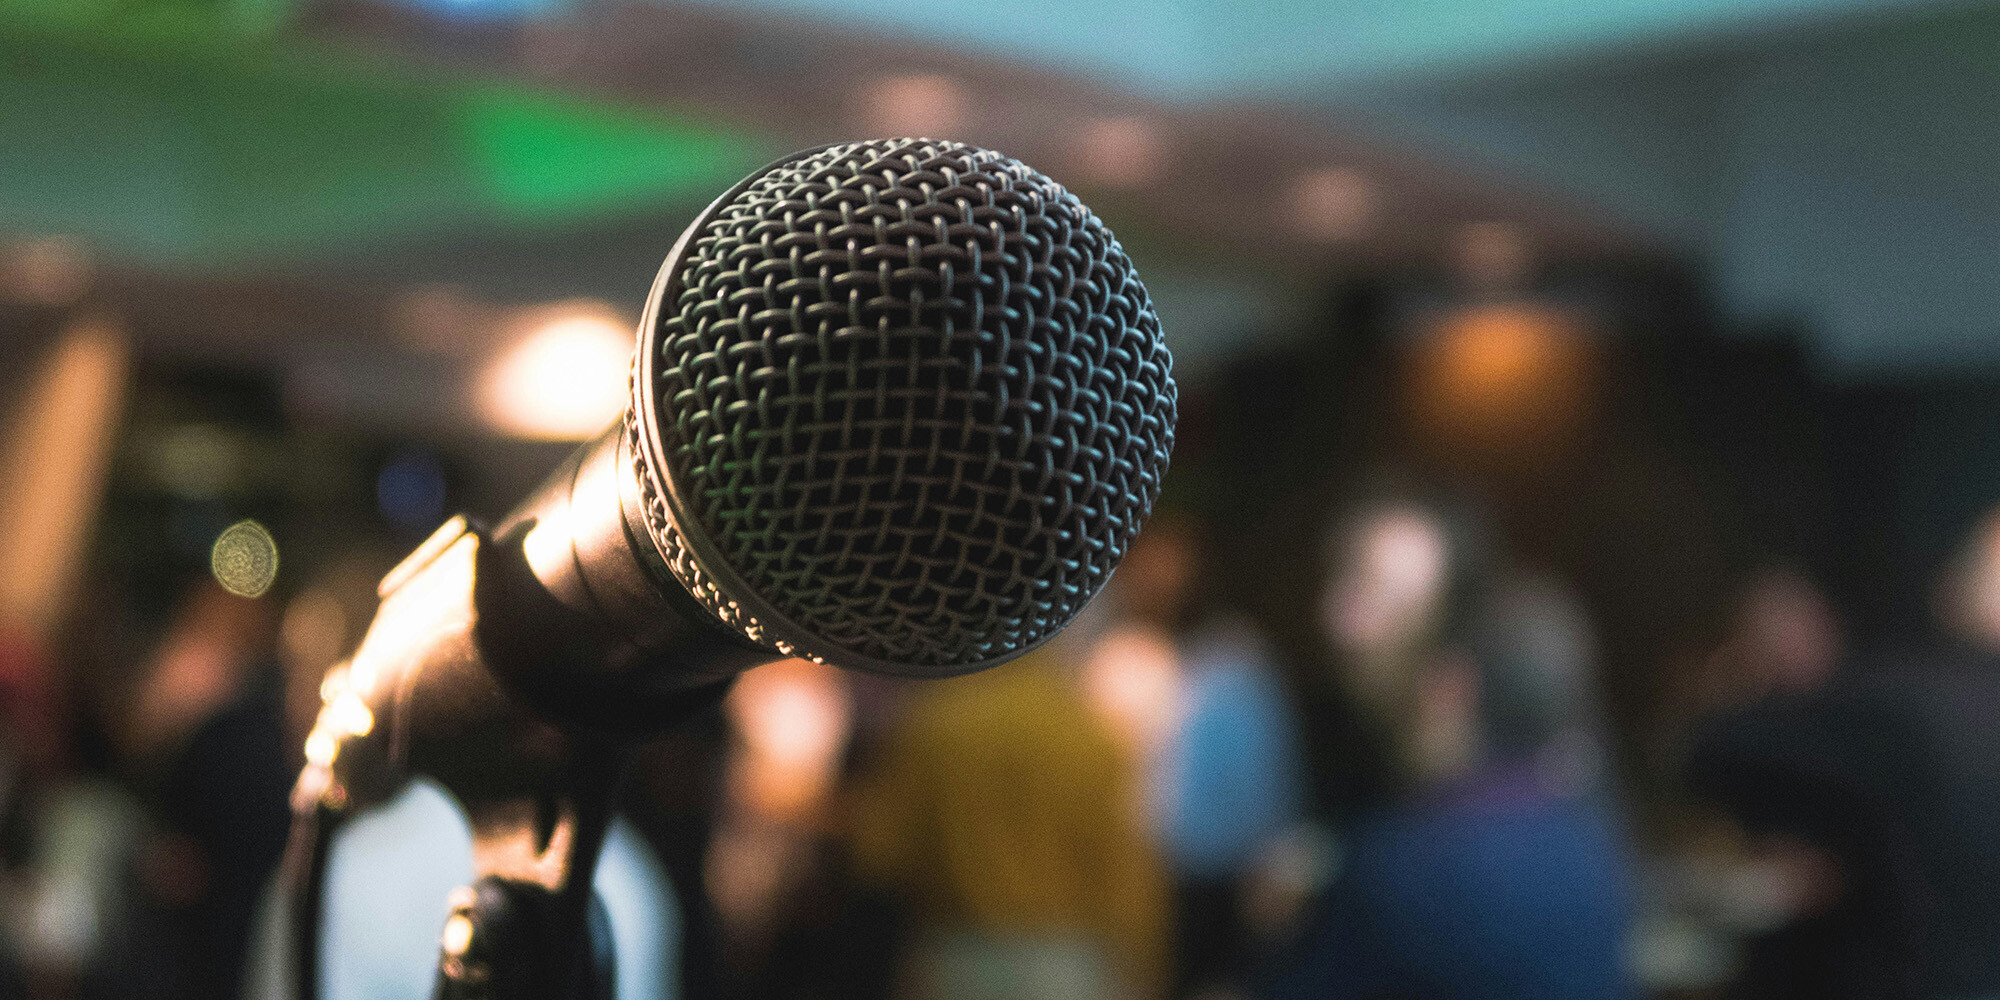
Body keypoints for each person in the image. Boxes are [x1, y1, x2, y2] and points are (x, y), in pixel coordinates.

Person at [1259, 491, 1633, 1000]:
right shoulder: (1582, 830)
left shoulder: (1406, 868)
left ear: (1453, 673)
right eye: (1345, 579)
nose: (1343, 622)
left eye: (1382, 596)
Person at [847, 613, 1170, 1000]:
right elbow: (1123, 870)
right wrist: (1145, 965)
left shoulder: (937, 722)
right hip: (1067, 972)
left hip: (954, 961)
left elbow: (880, 853)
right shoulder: (1091, 737)